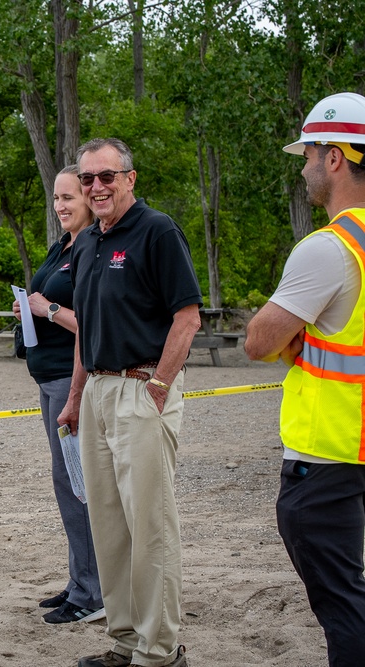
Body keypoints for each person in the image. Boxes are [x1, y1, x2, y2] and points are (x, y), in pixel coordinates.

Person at [57, 138, 201, 667]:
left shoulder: (157, 231)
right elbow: (85, 329)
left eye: (107, 177)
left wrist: (160, 387)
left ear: (130, 179)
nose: (96, 186)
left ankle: (161, 652)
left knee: (150, 526)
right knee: (110, 527)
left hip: (142, 388)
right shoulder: (89, 242)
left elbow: (188, 318)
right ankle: (124, 641)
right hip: (96, 392)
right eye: (88, 177)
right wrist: (75, 398)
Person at [245, 91, 365, 667]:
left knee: (345, 607)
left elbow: (258, 341)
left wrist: (298, 337)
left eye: (309, 155)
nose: (304, 167)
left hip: (328, 455)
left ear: (335, 157)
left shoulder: (329, 249)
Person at [13, 165, 103, 624]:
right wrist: (28, 306)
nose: (61, 206)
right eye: (56, 198)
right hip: (47, 378)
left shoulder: (90, 246)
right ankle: (79, 579)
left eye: (68, 197)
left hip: (72, 381)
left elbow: (89, 321)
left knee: (78, 485)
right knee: (66, 483)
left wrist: (46, 308)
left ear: (88, 198)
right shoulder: (63, 245)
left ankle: (92, 593)